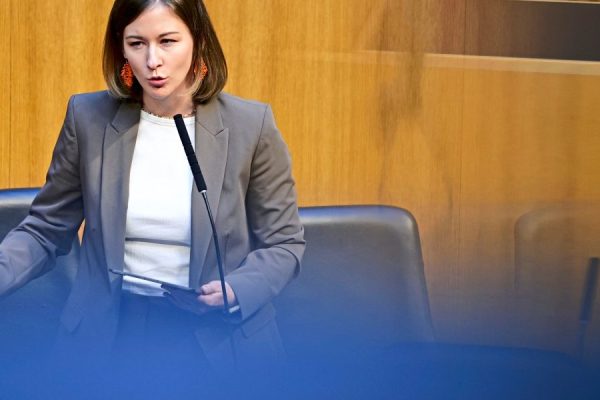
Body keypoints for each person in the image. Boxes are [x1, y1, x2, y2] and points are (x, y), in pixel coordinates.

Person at [0, 0, 304, 381]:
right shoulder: (88, 119)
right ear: (121, 48)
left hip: (216, 339)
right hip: (109, 335)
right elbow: (44, 231)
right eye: (137, 44)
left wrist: (238, 290)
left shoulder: (251, 126)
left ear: (198, 40)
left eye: (167, 41)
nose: (152, 61)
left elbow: (284, 243)